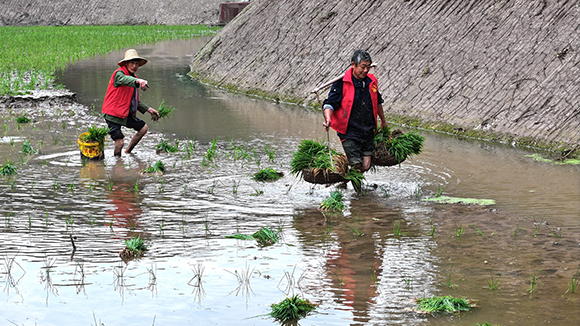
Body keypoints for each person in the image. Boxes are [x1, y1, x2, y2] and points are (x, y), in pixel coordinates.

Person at [322, 49, 387, 173]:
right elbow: (330, 103)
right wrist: (328, 118)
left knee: (366, 165)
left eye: (368, 67)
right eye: (362, 67)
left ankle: (347, 177)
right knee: (356, 164)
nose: (366, 70)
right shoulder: (341, 83)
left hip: (367, 130)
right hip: (349, 131)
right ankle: (356, 189)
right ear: (353, 65)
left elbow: (377, 102)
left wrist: (383, 120)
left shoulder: (371, 82)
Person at [102, 49, 160, 156]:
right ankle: (117, 162)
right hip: (112, 114)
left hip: (124, 113)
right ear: (126, 63)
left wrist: (148, 109)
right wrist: (138, 81)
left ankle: (128, 151)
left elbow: (133, 100)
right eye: (132, 63)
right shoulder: (119, 74)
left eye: (137, 64)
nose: (134, 66)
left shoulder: (135, 78)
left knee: (143, 129)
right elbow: (124, 79)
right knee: (119, 143)